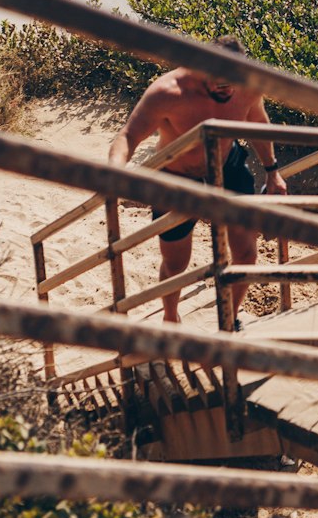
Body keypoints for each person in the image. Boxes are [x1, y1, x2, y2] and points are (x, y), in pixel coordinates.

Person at [108, 37, 287, 323]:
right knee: (176, 262)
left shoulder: (248, 86)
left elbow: (258, 124)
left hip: (227, 166)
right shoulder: (168, 92)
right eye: (218, 82)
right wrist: (115, 172)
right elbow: (129, 136)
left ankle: (230, 318)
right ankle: (170, 317)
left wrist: (272, 171)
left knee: (246, 253)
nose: (226, 89)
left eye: (231, 82)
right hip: (177, 176)